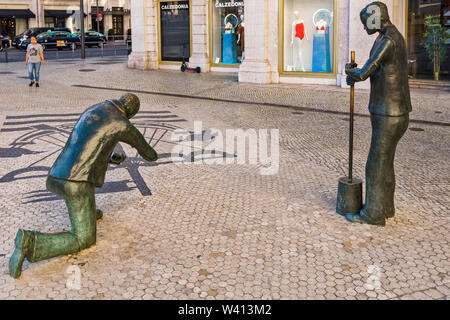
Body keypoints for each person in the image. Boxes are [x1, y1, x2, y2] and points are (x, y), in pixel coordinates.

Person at [9, 93, 158, 278]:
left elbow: (86, 143)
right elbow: (150, 154)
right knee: (84, 239)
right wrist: (152, 153)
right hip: (74, 183)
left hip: (56, 174)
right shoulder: (122, 123)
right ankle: (30, 243)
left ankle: (87, 211)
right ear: (130, 113)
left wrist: (110, 157)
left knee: (84, 190)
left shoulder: (95, 109)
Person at [344, 2, 412, 226]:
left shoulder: (387, 40)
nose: (364, 28)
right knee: (386, 162)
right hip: (393, 112)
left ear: (374, 18)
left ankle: (373, 214)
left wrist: (351, 72)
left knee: (375, 163)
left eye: (366, 23)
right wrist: (355, 72)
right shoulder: (391, 36)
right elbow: (372, 68)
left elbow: (365, 72)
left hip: (388, 113)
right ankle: (386, 207)